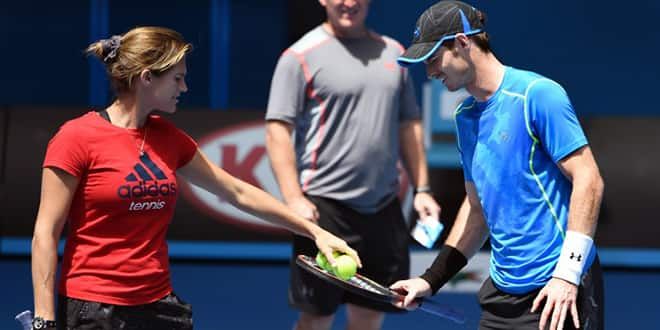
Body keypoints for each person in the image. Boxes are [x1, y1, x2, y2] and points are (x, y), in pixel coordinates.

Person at [30, 26, 361, 330]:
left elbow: (236, 191)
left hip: (157, 304)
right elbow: (46, 233)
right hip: (93, 308)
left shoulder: (168, 138)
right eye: (177, 79)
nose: (185, 88)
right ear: (147, 78)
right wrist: (44, 321)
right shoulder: (76, 137)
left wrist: (315, 232)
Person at [390, 2, 605, 330]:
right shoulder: (465, 118)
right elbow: (478, 211)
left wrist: (567, 274)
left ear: (463, 42)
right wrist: (430, 280)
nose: (430, 72)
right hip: (501, 296)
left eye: (433, 58)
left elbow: (589, 180)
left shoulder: (538, 95)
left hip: (556, 291)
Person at [265, 0, 442, 329]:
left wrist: (423, 188)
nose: (349, 3)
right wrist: (293, 199)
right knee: (317, 317)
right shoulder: (298, 56)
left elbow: (409, 124)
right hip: (323, 210)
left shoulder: (394, 53)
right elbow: (278, 130)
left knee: (370, 315)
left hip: (383, 209)